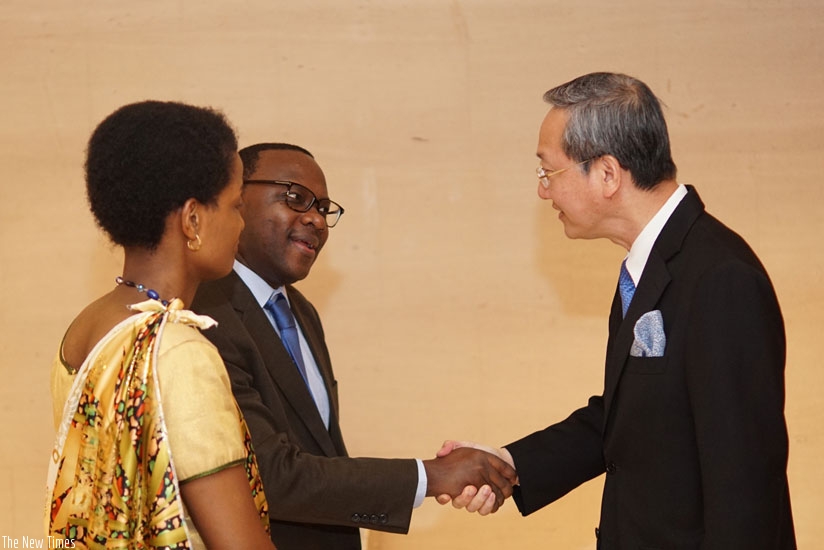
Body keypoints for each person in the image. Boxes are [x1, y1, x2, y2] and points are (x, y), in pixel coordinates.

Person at [438, 72, 796, 548]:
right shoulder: (648, 266)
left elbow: (745, 484)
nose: (543, 191)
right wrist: (508, 463)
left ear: (607, 173)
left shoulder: (720, 278)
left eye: (549, 173)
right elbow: (629, 418)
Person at [190, 142, 517, 549]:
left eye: (324, 208)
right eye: (296, 198)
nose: (316, 219)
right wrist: (430, 476)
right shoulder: (204, 314)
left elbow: (322, 456)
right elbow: (267, 474)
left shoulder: (300, 311)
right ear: (237, 197)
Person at [45, 101, 275, 549]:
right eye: (235, 206)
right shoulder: (178, 351)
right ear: (192, 220)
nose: (241, 224)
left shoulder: (85, 328)